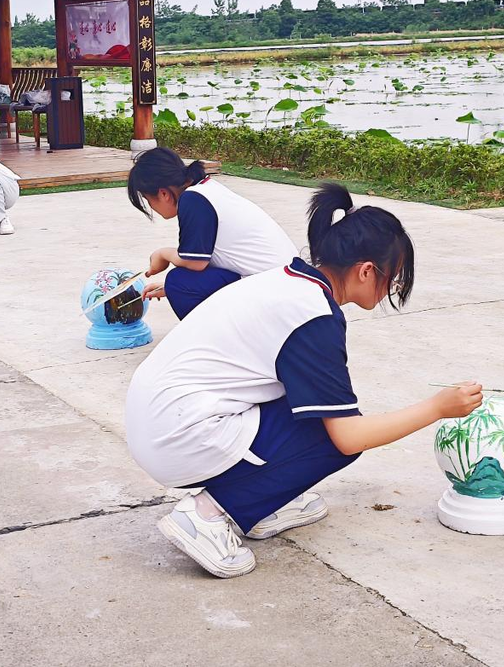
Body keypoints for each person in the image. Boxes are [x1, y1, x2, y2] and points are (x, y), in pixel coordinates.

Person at [126, 183, 483, 578]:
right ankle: (208, 514)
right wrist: (436, 408)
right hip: (177, 433)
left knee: (318, 408)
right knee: (335, 438)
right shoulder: (315, 315)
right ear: (366, 271)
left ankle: (256, 504)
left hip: (157, 415)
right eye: (392, 280)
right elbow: (349, 436)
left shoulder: (289, 280)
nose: (389, 291)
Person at [127, 147, 298, 318]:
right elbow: (210, 259)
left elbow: (194, 263)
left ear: (163, 193)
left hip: (276, 291)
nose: (151, 207)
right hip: (288, 282)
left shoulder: (192, 199)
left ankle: (215, 340)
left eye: (148, 200)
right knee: (176, 284)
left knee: (178, 281)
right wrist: (167, 289)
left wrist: (162, 254)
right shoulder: (206, 188)